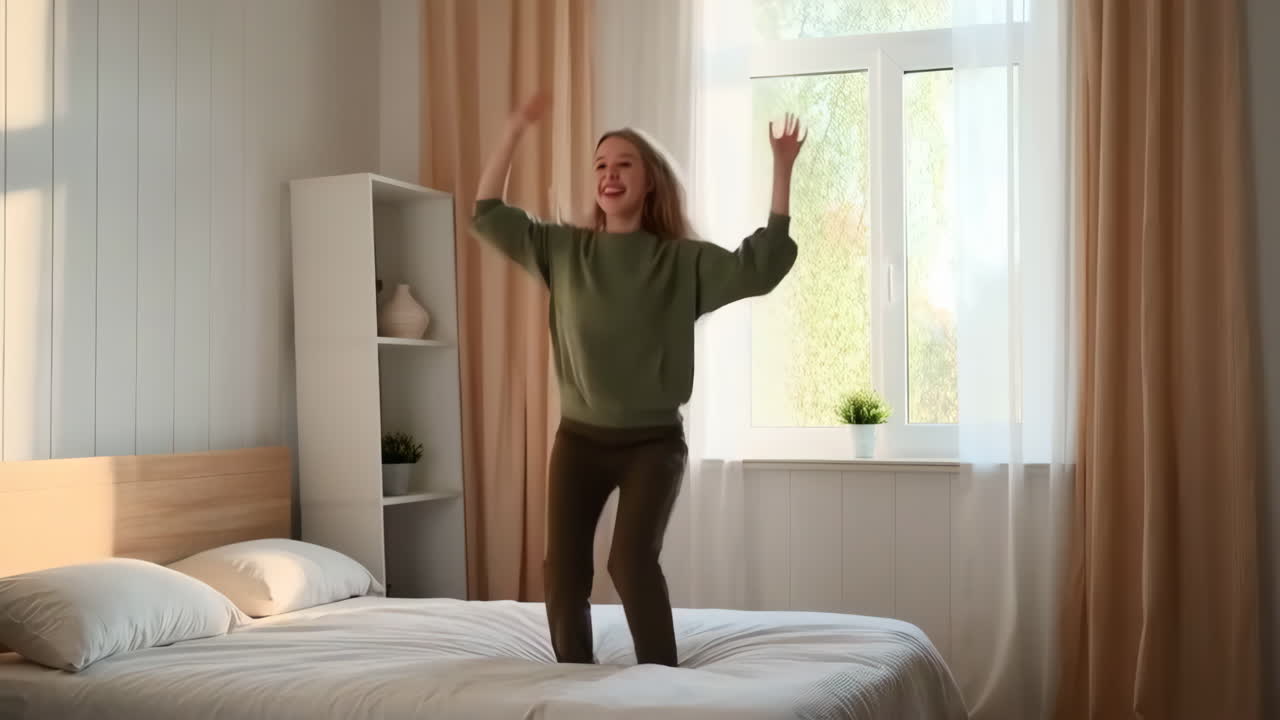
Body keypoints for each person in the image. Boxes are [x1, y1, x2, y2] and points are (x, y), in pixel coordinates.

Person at [470, 92, 805, 667]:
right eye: (600, 165)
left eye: (623, 163)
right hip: (579, 441)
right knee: (564, 567)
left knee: (630, 562)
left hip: (653, 444)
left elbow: (762, 265)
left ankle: (664, 682)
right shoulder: (564, 249)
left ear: (650, 181)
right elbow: (488, 214)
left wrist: (781, 169)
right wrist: (514, 128)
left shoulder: (680, 262)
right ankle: (573, 676)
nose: (609, 174)